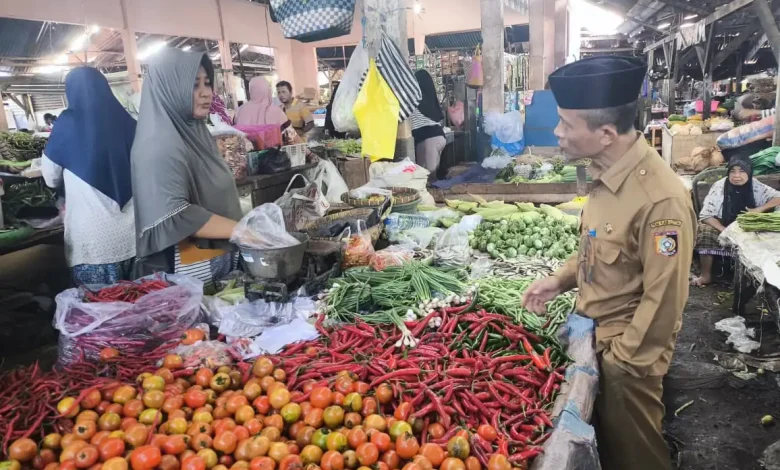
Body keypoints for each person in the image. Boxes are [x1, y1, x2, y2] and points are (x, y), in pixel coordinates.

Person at [521, 56, 696, 470]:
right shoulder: (607, 176)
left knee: (634, 457)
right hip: (594, 341)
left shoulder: (660, 201)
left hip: (628, 361)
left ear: (605, 134)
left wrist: (622, 363)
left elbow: (666, 297)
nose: (557, 132)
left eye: (566, 124)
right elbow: (597, 246)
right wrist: (560, 280)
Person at [131, 49, 242, 286]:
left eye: (207, 83)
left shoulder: (195, 132)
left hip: (215, 263)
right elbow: (177, 214)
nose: (206, 93)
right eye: (194, 85)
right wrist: (245, 231)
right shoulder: (157, 144)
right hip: (186, 274)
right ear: (170, 89)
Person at [42, 67, 136, 285]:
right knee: (141, 302)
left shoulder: (67, 124)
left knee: (98, 306)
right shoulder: (128, 122)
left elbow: (50, 177)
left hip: (93, 244)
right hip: (135, 239)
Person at [692, 157, 780, 286]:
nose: (736, 176)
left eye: (742, 171)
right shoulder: (720, 186)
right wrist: (724, 230)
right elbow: (706, 215)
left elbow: (778, 197)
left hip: (747, 228)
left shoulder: (756, 185)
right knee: (705, 232)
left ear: (749, 172)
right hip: (723, 226)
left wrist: (759, 209)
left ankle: (757, 277)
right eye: (732, 171)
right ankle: (706, 276)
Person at [411, 70, 446, 174]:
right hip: (439, 137)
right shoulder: (430, 99)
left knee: (426, 177)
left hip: (427, 141)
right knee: (432, 175)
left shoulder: (414, 100)